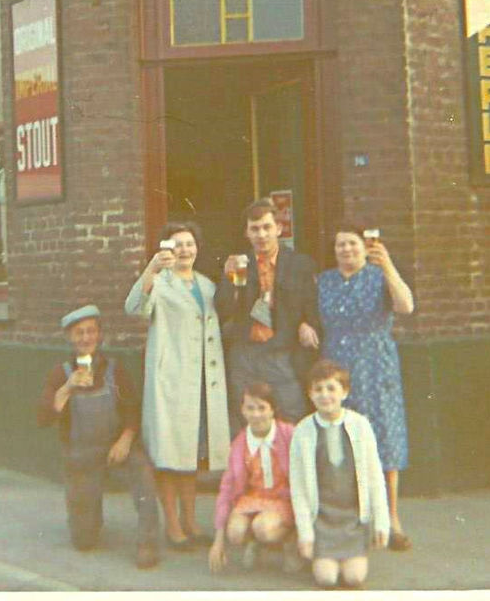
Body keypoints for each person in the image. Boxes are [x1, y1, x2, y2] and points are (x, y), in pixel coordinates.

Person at [125, 222, 231, 550]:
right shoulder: (161, 283)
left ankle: (191, 521)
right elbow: (133, 309)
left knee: (191, 456)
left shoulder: (208, 285)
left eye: (190, 243)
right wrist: (151, 269)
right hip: (171, 382)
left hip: (203, 383)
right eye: (178, 245)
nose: (185, 250)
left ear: (197, 248)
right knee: (169, 455)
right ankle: (172, 526)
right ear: (168, 250)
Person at [36, 304, 160, 569]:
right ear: (70, 337)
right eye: (79, 333)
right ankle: (90, 516)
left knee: (144, 473)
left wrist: (125, 440)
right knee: (84, 541)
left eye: (91, 331)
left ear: (98, 335)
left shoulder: (115, 369)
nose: (85, 338)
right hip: (81, 454)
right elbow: (44, 417)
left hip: (117, 446)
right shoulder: (61, 373)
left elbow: (132, 411)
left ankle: (147, 542)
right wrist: (68, 388)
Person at [317, 226, 414, 550]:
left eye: (352, 243)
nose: (346, 249)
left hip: (375, 365)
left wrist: (386, 265)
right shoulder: (325, 280)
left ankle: (392, 518)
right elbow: (310, 313)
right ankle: (349, 518)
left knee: (383, 437)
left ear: (364, 247)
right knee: (341, 440)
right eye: (340, 244)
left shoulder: (378, 276)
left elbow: (405, 306)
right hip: (337, 367)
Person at [215, 198, 320, 427]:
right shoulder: (240, 264)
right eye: (255, 229)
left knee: (291, 412)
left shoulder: (299, 264)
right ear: (247, 233)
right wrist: (228, 279)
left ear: (279, 229)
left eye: (266, 227)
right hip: (245, 352)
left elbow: (311, 303)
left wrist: (306, 323)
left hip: (281, 350)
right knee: (245, 416)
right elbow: (223, 309)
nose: (261, 235)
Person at [289, 359, 389, 589]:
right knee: (327, 578)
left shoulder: (360, 426)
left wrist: (381, 523)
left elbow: (375, 478)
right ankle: (312, 553)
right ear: (310, 394)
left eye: (331, 388)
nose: (325, 395)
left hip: (352, 519)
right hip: (322, 520)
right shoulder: (303, 432)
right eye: (318, 389)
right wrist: (305, 533)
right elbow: (299, 489)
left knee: (354, 577)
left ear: (344, 392)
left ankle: (350, 555)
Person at [208, 382, 301, 575]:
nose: (256, 414)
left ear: (273, 409)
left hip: (284, 498)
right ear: (242, 409)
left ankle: (290, 541)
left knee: (264, 527)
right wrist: (218, 541)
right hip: (253, 498)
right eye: (250, 408)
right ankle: (255, 544)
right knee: (234, 532)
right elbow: (226, 489)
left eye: (262, 408)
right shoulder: (239, 444)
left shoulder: (289, 434)